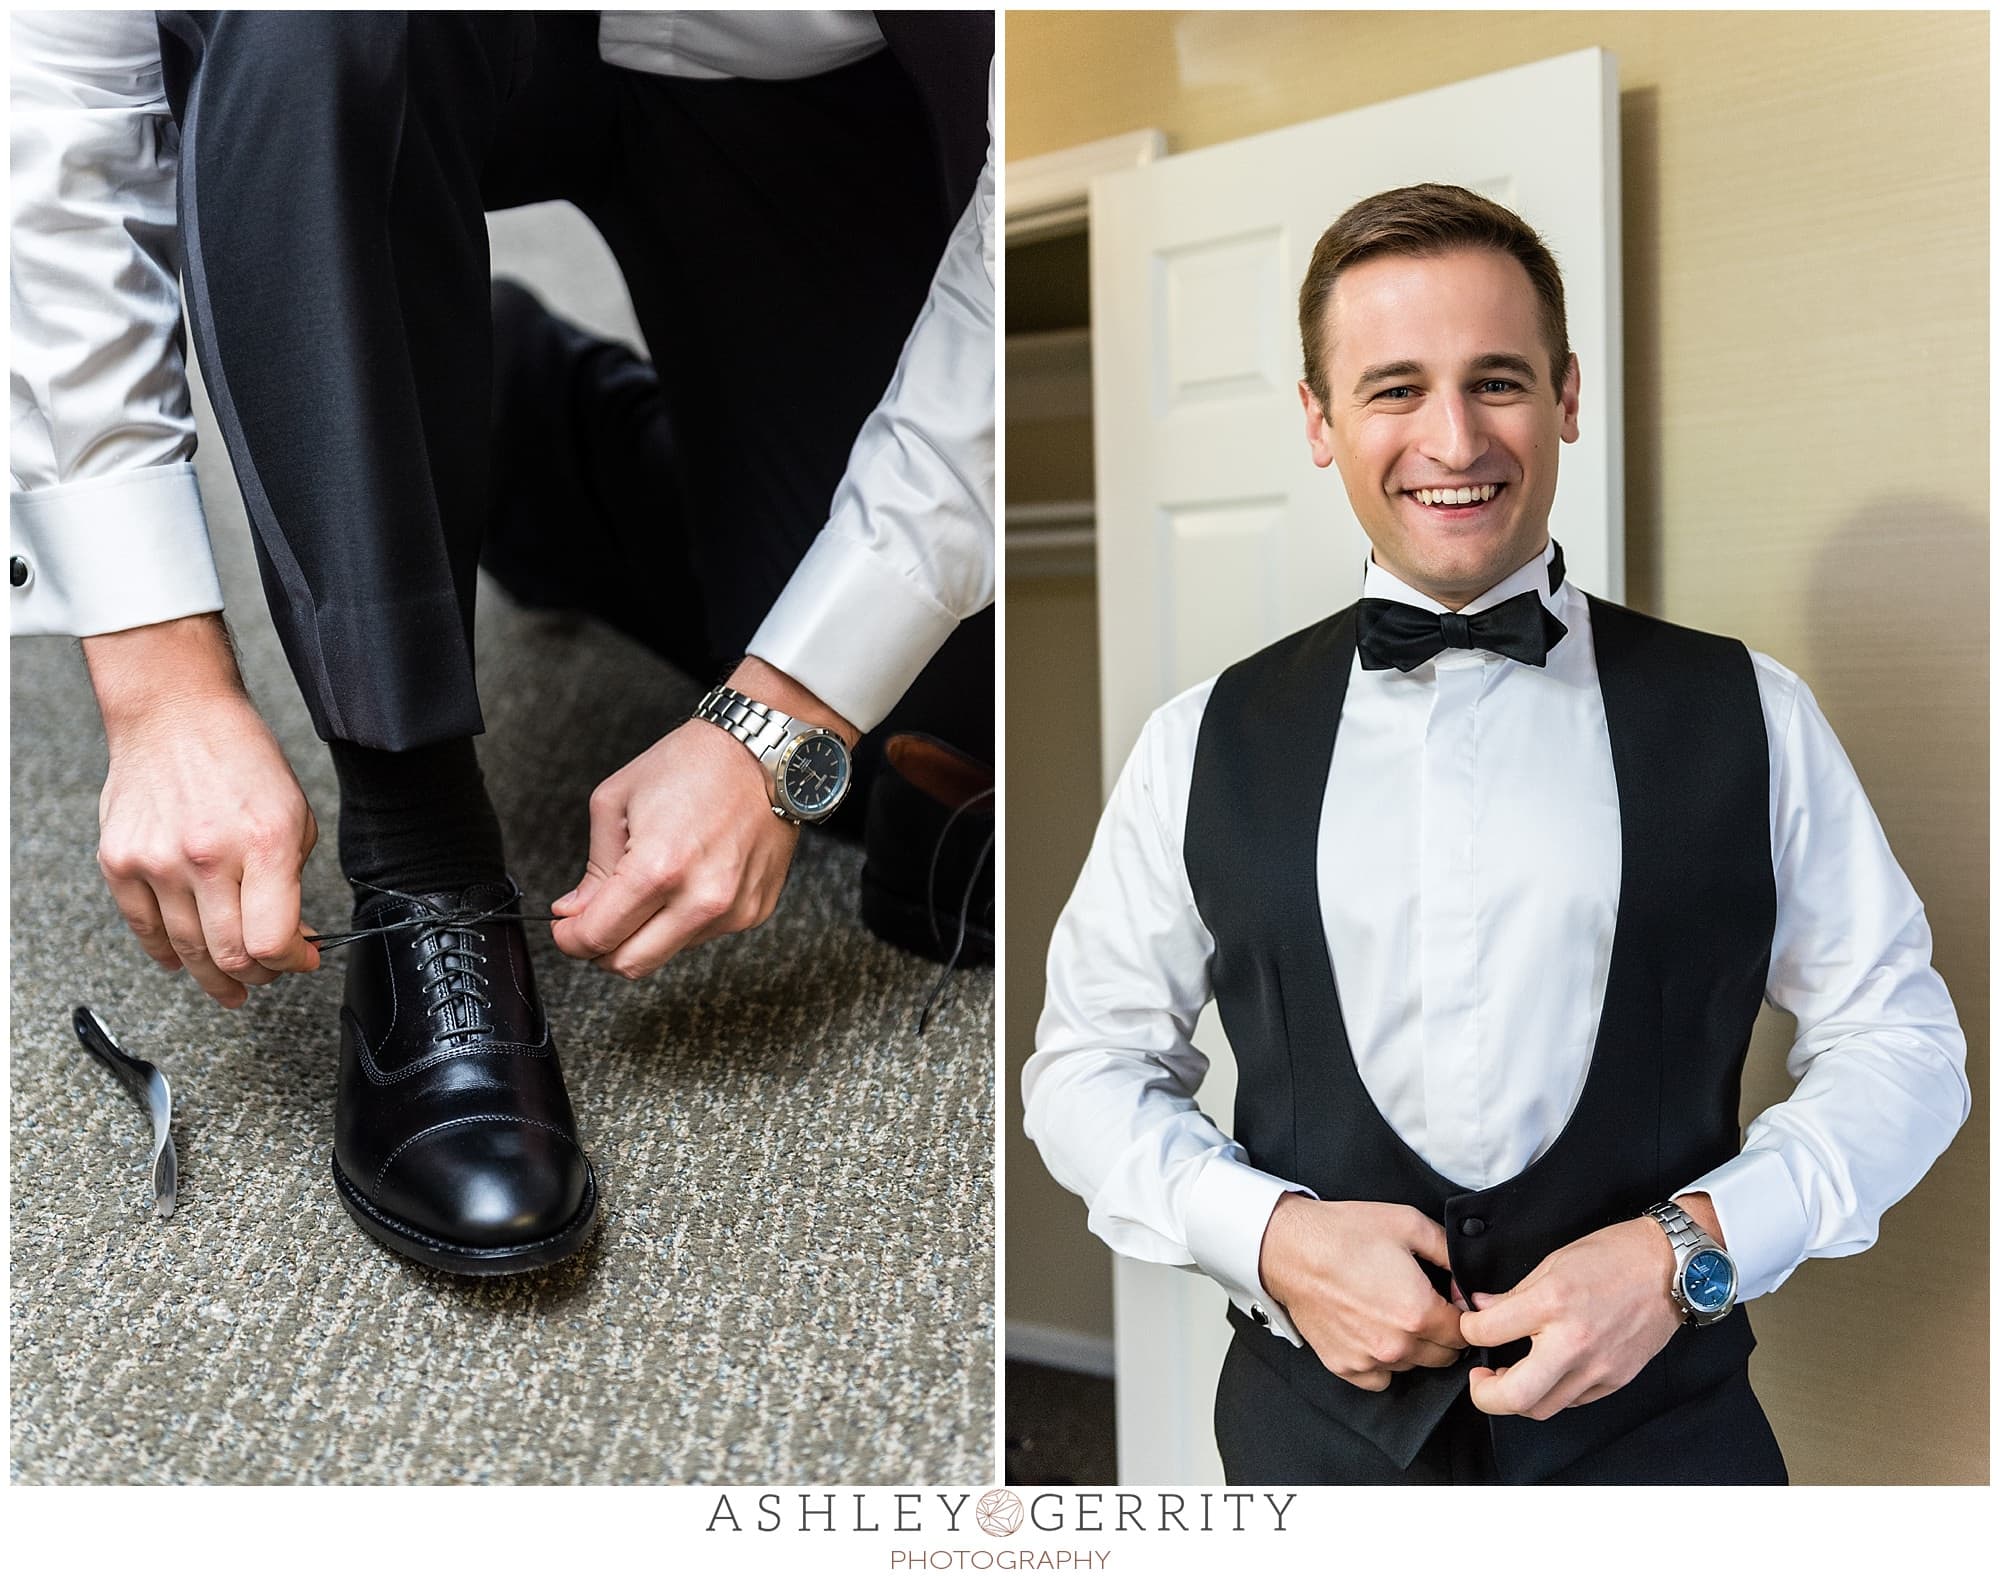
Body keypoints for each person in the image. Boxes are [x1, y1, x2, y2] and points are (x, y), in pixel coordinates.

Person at [10, 10, 993, 1276]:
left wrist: (786, 704)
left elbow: (1000, 203)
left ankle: (511, 428)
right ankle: (421, 854)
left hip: (815, 69)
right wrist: (161, 686)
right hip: (379, 60)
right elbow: (63, 102)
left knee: (916, 722)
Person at [1023, 183, 1968, 1484]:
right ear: (1320, 420)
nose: (1454, 439)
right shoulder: (1201, 740)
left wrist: (1688, 1250)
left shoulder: (1751, 713)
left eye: (1499, 382)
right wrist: (1271, 1237)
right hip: (1312, 1451)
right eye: (1396, 388)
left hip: (1668, 1453)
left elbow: (1904, 1043)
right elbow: (1082, 1066)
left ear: (1569, 397)